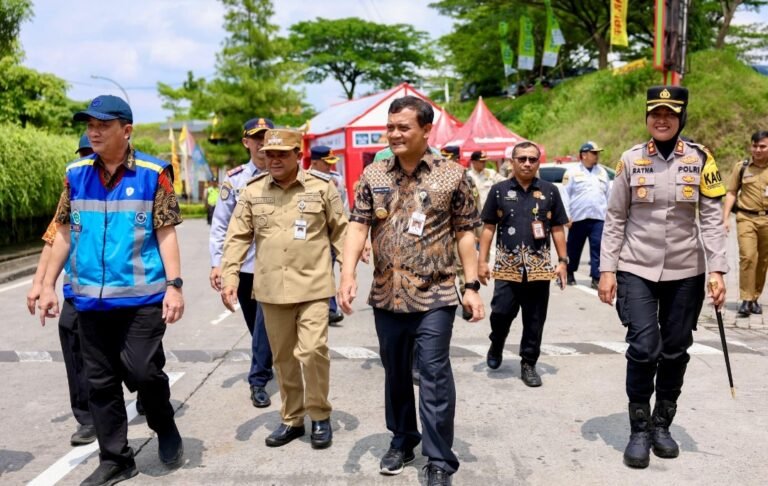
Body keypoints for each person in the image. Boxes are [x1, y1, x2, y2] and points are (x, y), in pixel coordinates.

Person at [38, 95, 186, 485]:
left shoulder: (154, 173)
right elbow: (64, 232)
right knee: (99, 383)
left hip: (142, 298)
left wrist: (174, 286)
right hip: (88, 300)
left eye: (103, 124)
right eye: (90, 124)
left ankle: (164, 423)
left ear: (127, 130)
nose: (94, 131)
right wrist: (48, 284)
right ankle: (116, 458)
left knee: (143, 370)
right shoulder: (75, 173)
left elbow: (166, 232)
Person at [338, 96, 484, 486]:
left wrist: (470, 286)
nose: (395, 134)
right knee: (396, 372)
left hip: (435, 294)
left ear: (425, 129)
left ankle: (439, 459)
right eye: (391, 127)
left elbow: (465, 233)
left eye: (403, 127)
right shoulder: (374, 175)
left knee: (434, 373)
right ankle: (403, 438)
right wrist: (348, 274)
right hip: (386, 294)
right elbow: (357, 225)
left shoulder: (453, 176)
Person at [598, 86, 727, 469]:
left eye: (670, 113)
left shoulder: (701, 158)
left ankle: (661, 425)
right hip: (636, 266)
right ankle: (638, 428)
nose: (662, 119)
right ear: (647, 117)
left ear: (681, 116)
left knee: (675, 350)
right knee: (643, 348)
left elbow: (712, 219)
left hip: (686, 270)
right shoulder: (630, 160)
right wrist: (607, 269)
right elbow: (616, 217)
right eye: (656, 113)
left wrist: (717, 269)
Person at [220, 128, 348, 450]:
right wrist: (230, 276)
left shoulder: (322, 188)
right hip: (272, 290)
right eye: (268, 154)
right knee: (283, 358)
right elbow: (237, 237)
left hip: (315, 286)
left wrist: (348, 275)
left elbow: (341, 233)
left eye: (282, 154)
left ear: (298, 156)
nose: (273, 160)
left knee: (313, 350)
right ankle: (292, 418)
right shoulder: (251, 192)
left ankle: (319, 415)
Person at [478, 141, 569, 387]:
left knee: (535, 319)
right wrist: (482, 261)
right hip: (507, 267)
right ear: (512, 161)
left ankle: (528, 363)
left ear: (538, 162)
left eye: (532, 159)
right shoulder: (498, 190)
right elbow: (487, 228)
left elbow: (558, 227)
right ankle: (497, 342)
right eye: (522, 159)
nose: (527, 163)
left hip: (539, 269)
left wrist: (562, 261)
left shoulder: (550, 191)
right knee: (500, 314)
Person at [26, 136, 95, 446]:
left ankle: (148, 392)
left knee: (135, 361)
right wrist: (40, 284)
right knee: (72, 341)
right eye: (81, 155)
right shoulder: (72, 191)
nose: (85, 161)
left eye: (89, 154)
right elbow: (54, 240)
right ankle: (87, 418)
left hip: (122, 291)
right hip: (77, 288)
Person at [209, 117, 275, 408]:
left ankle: (258, 379)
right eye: (256, 138)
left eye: (266, 136)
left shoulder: (285, 173)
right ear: (246, 142)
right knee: (257, 326)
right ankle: (268, 362)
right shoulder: (235, 180)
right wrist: (218, 264)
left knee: (265, 323)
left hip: (275, 268)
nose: (262, 143)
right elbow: (220, 225)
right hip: (245, 267)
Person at [722, 130, 768, 317]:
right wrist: (725, 218)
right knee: (748, 257)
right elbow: (731, 192)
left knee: (763, 261)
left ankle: (755, 298)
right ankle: (746, 299)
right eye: (755, 146)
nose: (757, 150)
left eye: (762, 146)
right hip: (745, 218)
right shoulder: (742, 167)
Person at [562, 141, 611, 288]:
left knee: (598, 248)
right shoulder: (571, 172)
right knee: (573, 248)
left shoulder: (602, 172)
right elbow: (564, 194)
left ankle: (596, 277)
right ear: (584, 155)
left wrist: (610, 216)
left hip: (599, 218)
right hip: (577, 218)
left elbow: (608, 194)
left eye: (597, 153)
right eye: (594, 153)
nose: (597, 156)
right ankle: (569, 273)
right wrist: (566, 216)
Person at [310, 145, 348, 326]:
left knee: (328, 271)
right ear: (314, 162)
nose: (329, 167)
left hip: (333, 232)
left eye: (332, 163)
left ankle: (329, 309)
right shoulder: (305, 179)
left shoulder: (337, 179)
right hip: (314, 235)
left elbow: (344, 205)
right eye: (326, 163)